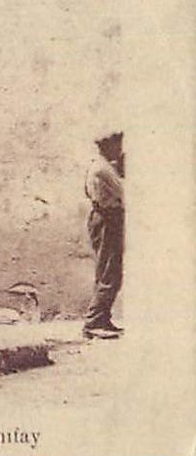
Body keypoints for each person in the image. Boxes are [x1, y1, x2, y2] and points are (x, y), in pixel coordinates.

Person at [82, 130, 124, 339]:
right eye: (117, 144)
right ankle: (93, 321)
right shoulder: (103, 168)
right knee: (109, 272)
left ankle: (102, 318)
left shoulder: (101, 165)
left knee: (108, 270)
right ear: (108, 145)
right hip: (107, 219)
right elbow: (123, 192)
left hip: (106, 218)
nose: (120, 149)